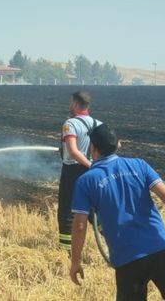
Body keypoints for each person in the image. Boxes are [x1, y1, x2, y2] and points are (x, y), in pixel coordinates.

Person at [69, 124, 165, 300]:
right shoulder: (139, 165)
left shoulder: (86, 181)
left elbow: (79, 225)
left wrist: (75, 261)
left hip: (127, 258)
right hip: (160, 247)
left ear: (92, 148)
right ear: (119, 144)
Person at [58, 91, 100, 250]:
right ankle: (113, 240)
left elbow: (74, 152)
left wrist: (89, 165)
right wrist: (96, 166)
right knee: (92, 210)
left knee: (67, 212)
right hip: (93, 172)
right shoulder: (98, 124)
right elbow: (116, 145)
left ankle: (66, 251)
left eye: (71, 102)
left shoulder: (70, 124)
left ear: (75, 104)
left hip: (73, 172)